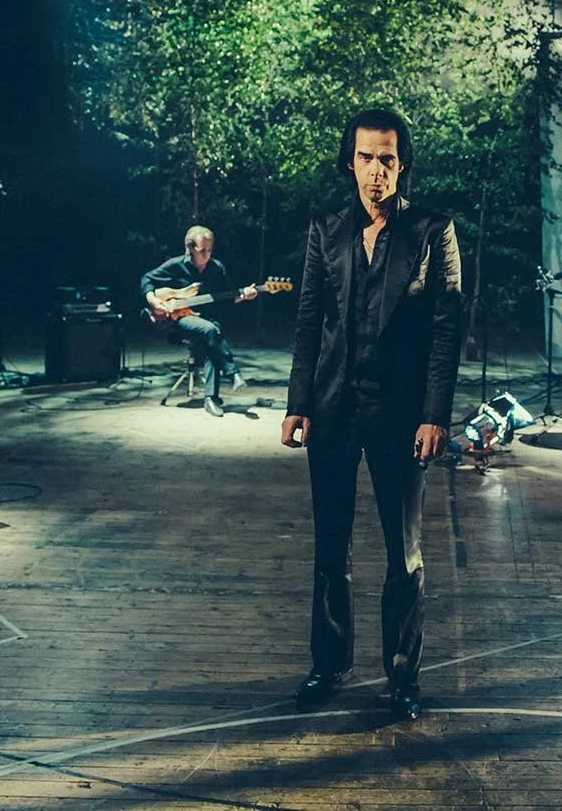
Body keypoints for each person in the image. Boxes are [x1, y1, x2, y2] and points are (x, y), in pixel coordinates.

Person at [281, 107, 463, 721]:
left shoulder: (433, 230)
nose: (376, 171)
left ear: (401, 163)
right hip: (333, 410)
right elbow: (309, 319)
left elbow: (446, 330)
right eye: (365, 158)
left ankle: (403, 675)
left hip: (402, 413)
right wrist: (296, 403)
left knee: (402, 551)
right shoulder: (325, 229)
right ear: (350, 161)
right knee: (329, 547)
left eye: (387, 158)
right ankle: (328, 665)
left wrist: (435, 414)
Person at [141, 226, 256, 417]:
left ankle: (210, 398)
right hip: (179, 321)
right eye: (203, 251)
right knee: (211, 331)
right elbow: (146, 279)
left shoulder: (217, 268)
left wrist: (244, 295)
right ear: (190, 248)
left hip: (206, 322)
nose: (207, 255)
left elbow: (228, 297)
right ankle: (232, 373)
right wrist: (153, 300)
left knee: (211, 335)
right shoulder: (176, 265)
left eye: (210, 250)